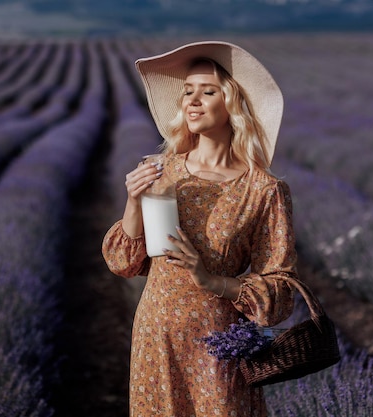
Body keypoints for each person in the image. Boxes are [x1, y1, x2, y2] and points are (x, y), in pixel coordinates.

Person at [102, 41, 298, 416]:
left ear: (233, 104)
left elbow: (280, 290)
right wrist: (133, 201)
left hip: (219, 342)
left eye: (208, 92)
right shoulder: (161, 169)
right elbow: (122, 263)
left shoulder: (263, 190)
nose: (192, 100)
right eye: (187, 91)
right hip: (157, 334)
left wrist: (210, 280)